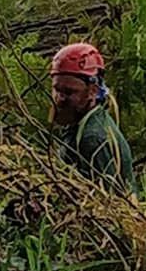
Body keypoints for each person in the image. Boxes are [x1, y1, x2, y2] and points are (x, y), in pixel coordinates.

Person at [50, 42, 136, 197]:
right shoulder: (80, 122)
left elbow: (105, 202)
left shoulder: (92, 138)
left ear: (93, 91)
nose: (60, 98)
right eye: (57, 89)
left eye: (69, 92)